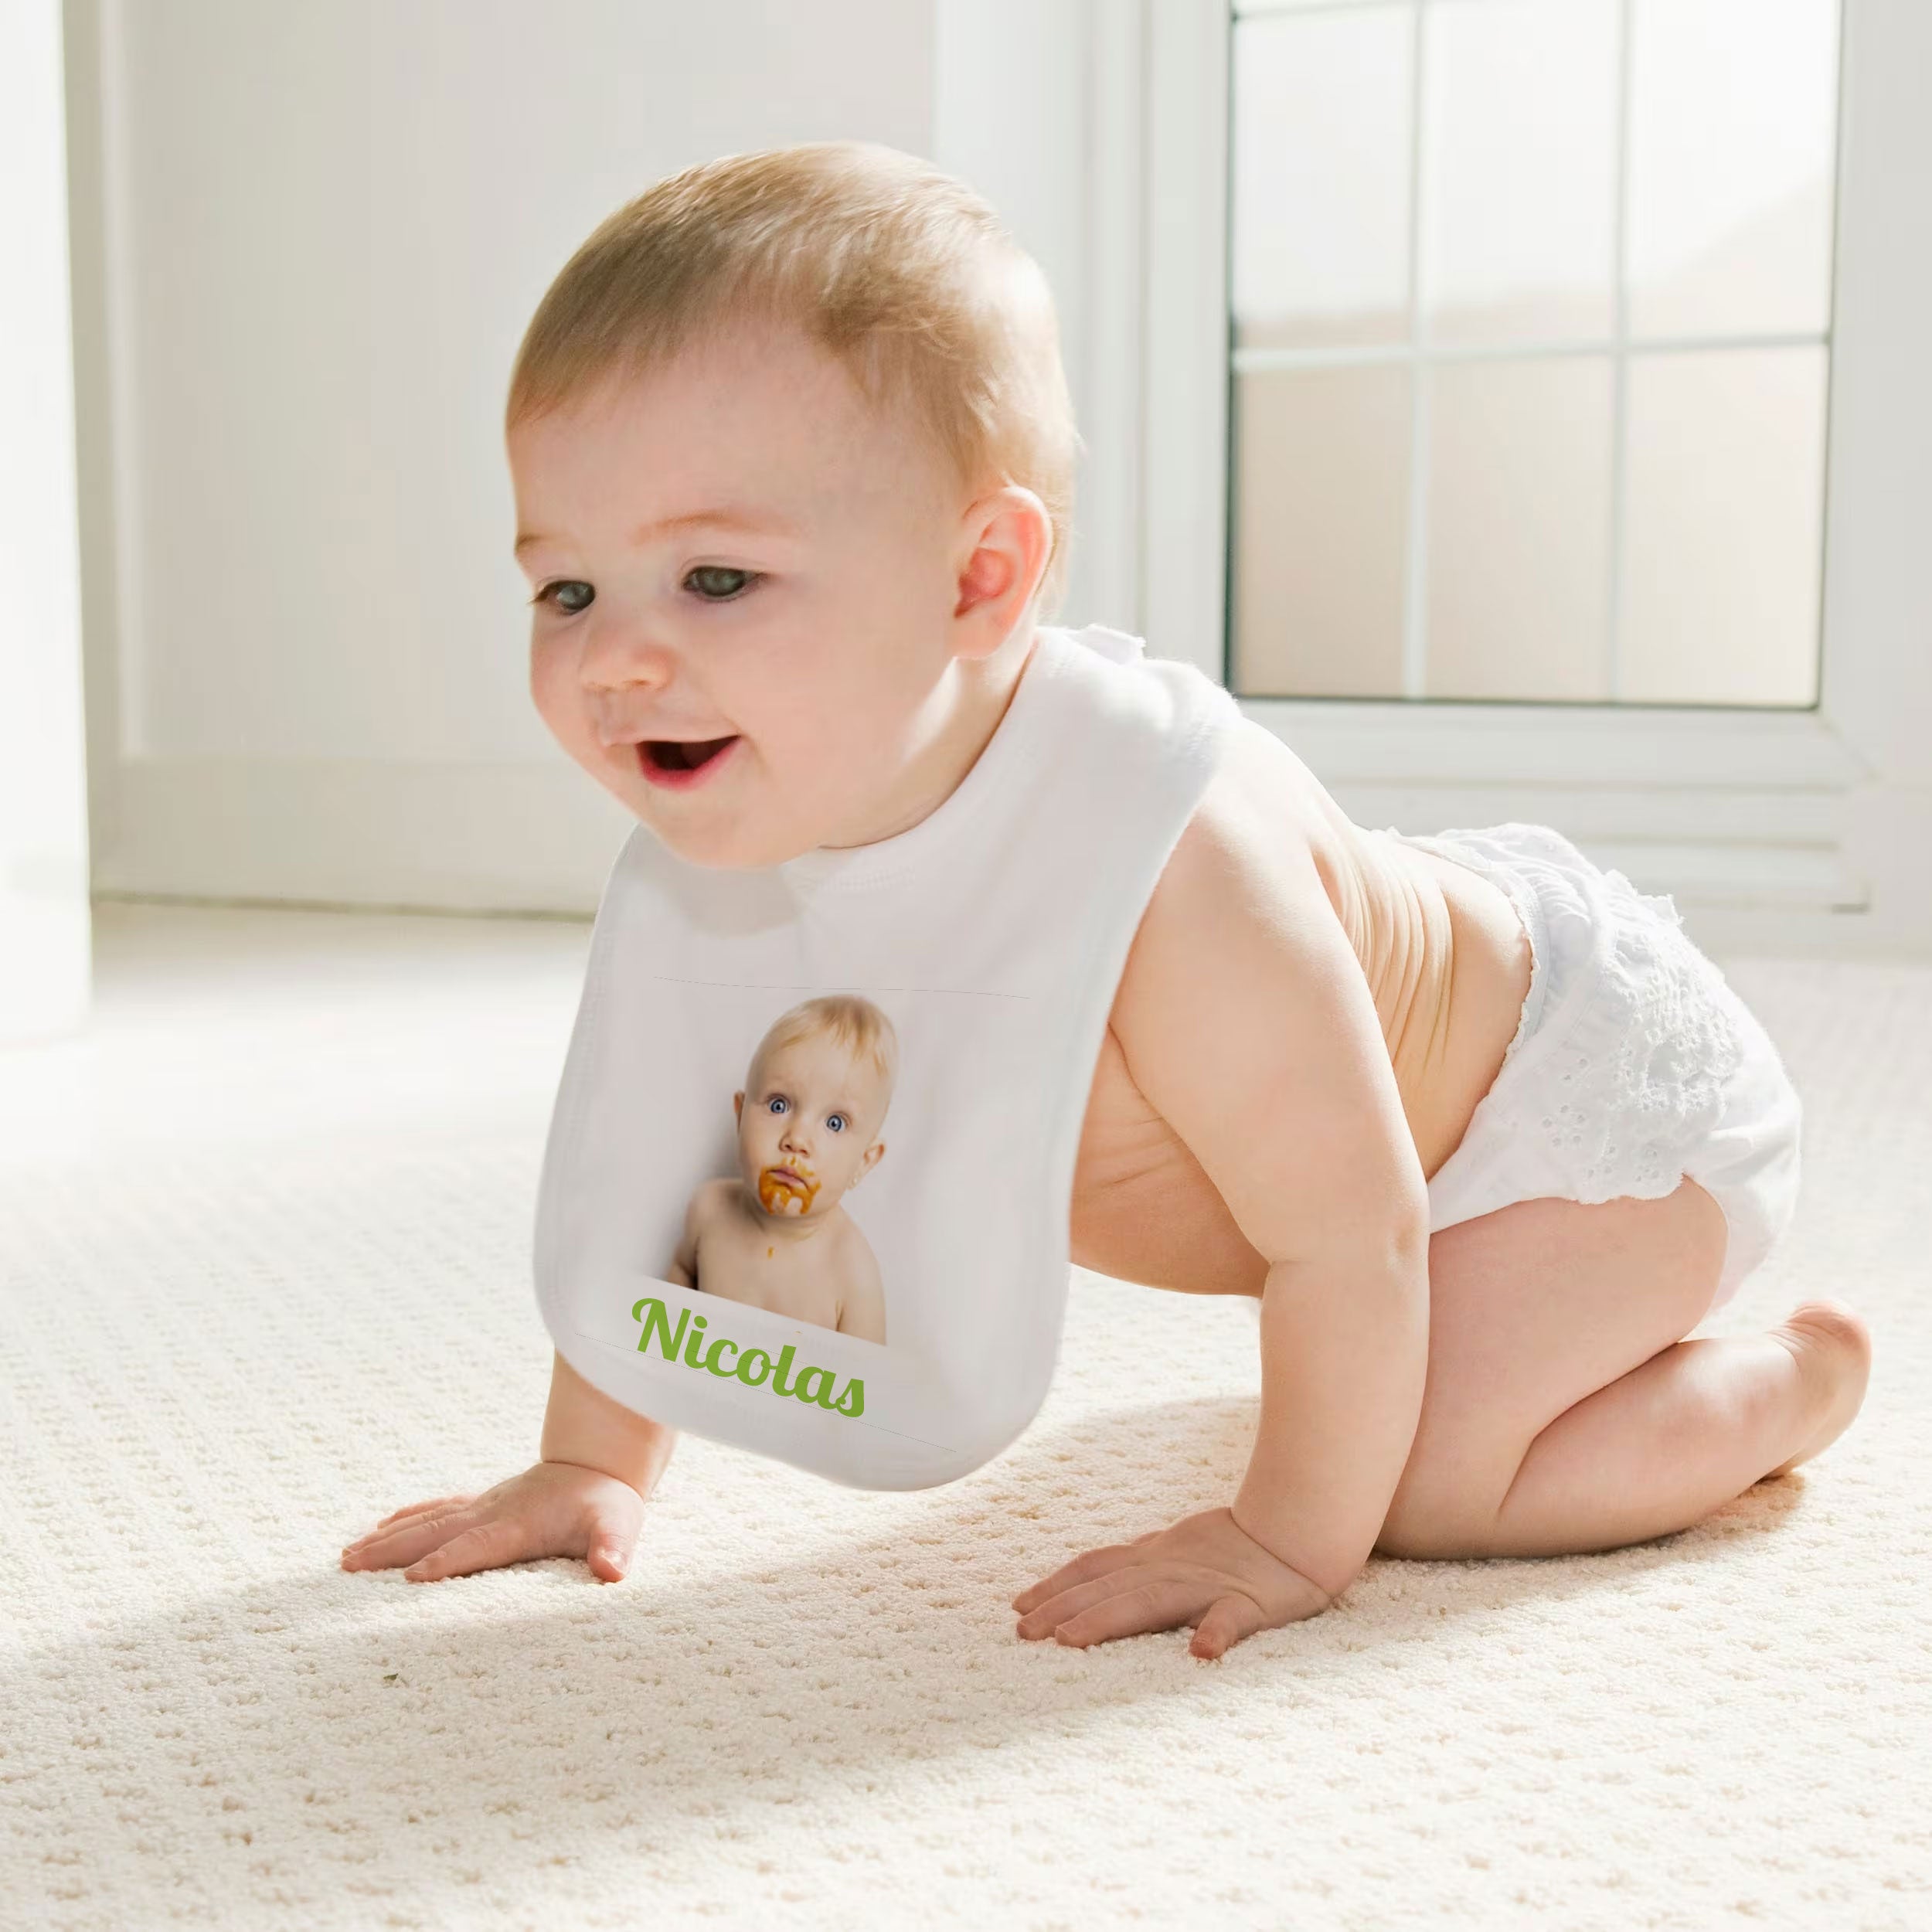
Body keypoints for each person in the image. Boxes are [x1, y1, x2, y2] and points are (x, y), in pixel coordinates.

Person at [341, 141, 1869, 1659]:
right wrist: (594, 1454)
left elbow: (1353, 1233)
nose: (614, 658)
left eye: (715, 579)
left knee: (1417, 1478)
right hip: (1411, 1086)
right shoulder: (735, 828)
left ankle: (1786, 1378)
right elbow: (680, 1172)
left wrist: (1283, 1533)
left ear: (977, 580)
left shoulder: (1171, 870)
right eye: (565, 589)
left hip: (1568, 1123)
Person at [666, 994, 893, 1345]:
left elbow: (866, 1388)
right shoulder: (708, 1210)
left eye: (834, 1122)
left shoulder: (852, 1272)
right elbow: (681, 1274)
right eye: (779, 1104)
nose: (797, 1139)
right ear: (740, 1116)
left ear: (864, 1162)